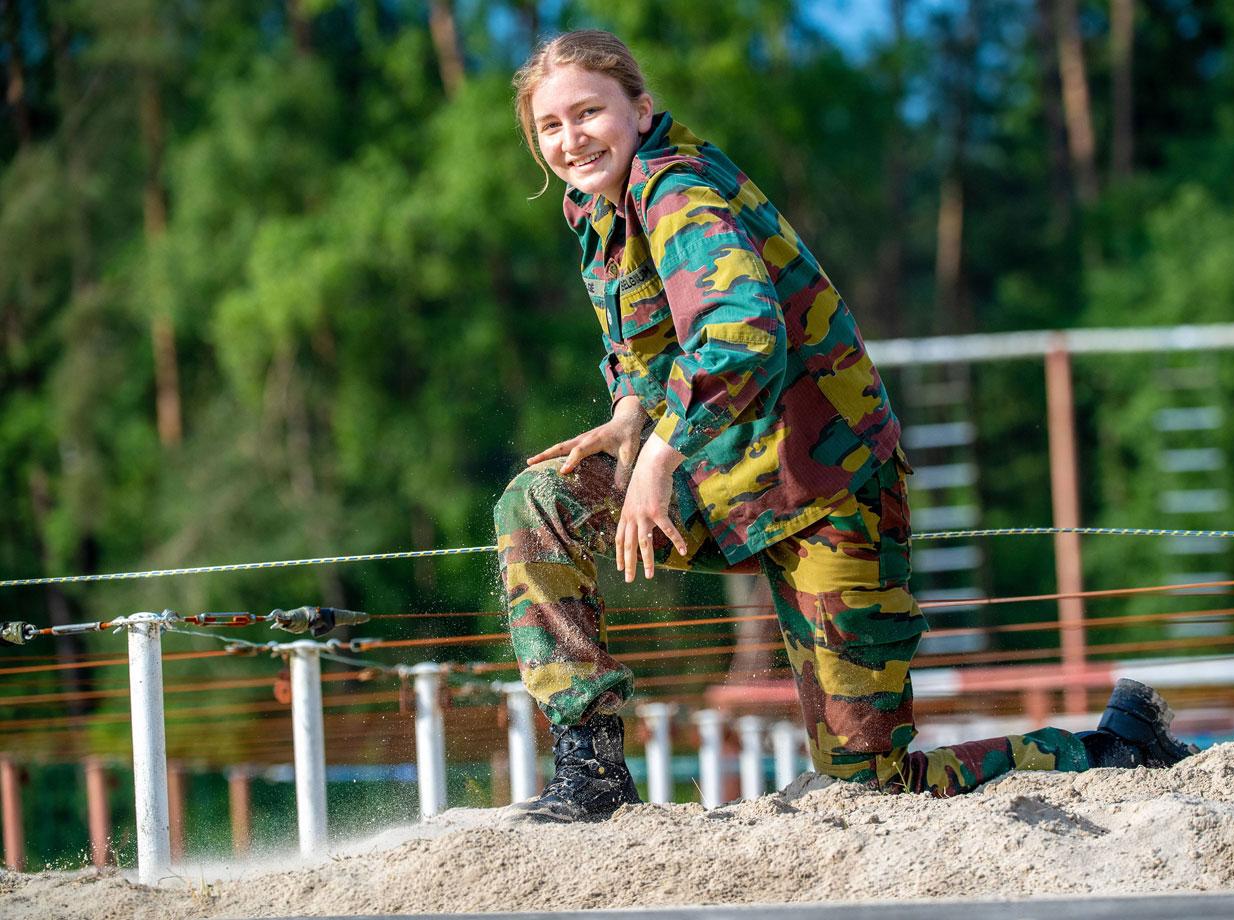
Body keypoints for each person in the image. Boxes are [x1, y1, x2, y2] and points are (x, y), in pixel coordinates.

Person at [495, 29, 1196, 823]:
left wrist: (658, 452)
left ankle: (1111, 750)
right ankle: (590, 770)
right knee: (537, 503)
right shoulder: (594, 205)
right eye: (550, 125)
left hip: (829, 487)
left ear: (641, 108)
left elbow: (742, 332)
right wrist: (628, 417)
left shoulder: (678, 191)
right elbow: (637, 339)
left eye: (590, 112)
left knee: (870, 784)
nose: (571, 138)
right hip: (720, 473)